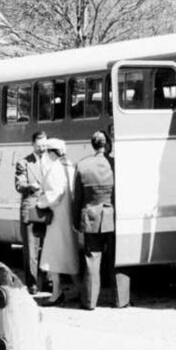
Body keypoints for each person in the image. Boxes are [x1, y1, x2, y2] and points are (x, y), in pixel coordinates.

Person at [73, 130, 129, 310]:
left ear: (92, 144)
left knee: (92, 259)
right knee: (117, 259)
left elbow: (78, 199)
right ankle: (121, 300)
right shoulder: (115, 164)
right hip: (113, 217)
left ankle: (89, 302)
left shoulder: (83, 166)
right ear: (107, 144)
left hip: (90, 217)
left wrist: (76, 222)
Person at [37, 138, 80, 305]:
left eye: (47, 151)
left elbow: (55, 194)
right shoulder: (70, 166)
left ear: (52, 152)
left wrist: (40, 202)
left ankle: (57, 293)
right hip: (70, 218)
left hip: (57, 219)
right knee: (70, 257)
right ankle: (80, 290)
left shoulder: (54, 168)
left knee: (53, 257)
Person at [15, 131, 48, 295]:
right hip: (30, 209)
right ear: (33, 145)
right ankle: (32, 284)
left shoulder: (50, 162)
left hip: (47, 209)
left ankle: (46, 280)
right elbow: (19, 185)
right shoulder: (24, 163)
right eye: (39, 146)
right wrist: (30, 186)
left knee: (46, 248)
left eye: (44, 146)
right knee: (31, 250)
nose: (42, 149)